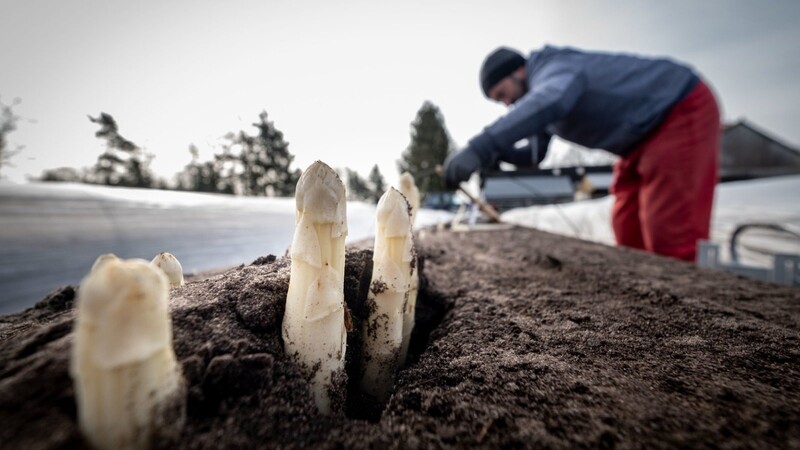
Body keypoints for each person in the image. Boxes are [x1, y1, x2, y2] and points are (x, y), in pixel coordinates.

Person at [444, 45, 720, 262]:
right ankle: (651, 299)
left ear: (518, 71)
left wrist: (482, 146)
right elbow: (535, 155)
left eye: (502, 93)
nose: (507, 104)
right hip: (637, 142)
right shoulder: (544, 95)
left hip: (676, 110)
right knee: (627, 223)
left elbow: (552, 100)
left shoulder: (555, 68)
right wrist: (500, 155)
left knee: (669, 229)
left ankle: (691, 316)